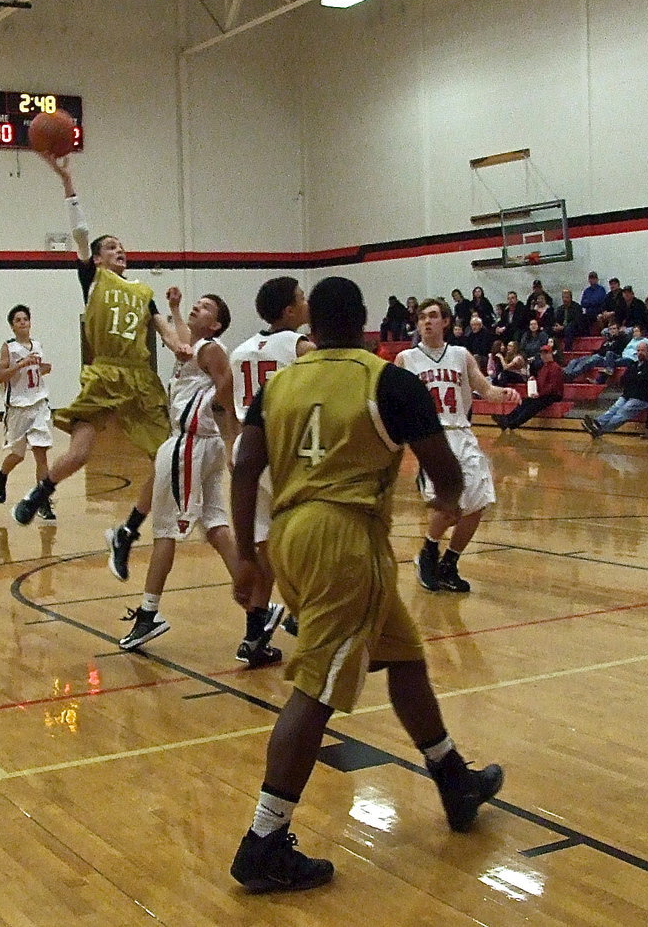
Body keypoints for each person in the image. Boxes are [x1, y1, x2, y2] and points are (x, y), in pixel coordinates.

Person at [228, 277, 504, 894]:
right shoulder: (386, 380)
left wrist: (247, 557)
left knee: (403, 654)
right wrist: (452, 500)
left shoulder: (280, 384)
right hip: (345, 540)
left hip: (292, 536)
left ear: (313, 327)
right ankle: (264, 840)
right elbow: (443, 473)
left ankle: (453, 778)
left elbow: (246, 467)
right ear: (366, 326)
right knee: (317, 688)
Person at [13, 155, 191, 586]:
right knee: (80, 453)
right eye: (111, 247)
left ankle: (126, 532)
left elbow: (168, 337)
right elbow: (80, 230)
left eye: (122, 247)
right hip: (106, 373)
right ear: (95, 258)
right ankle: (40, 492)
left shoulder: (143, 292)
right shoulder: (93, 279)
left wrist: (179, 332)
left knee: (167, 462)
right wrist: (68, 181)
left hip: (141, 380)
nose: (120, 250)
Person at [117, 293, 247, 656]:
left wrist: (232, 435)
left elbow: (226, 389)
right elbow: (180, 343)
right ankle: (257, 607)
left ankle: (149, 614)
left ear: (216, 323)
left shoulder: (211, 349)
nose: (196, 307)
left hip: (190, 444)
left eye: (205, 307)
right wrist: (173, 310)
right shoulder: (197, 347)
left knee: (165, 531)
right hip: (201, 445)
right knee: (218, 528)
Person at [396, 298, 521, 593]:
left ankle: (449, 564)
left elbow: (485, 389)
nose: (427, 321)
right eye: (422, 317)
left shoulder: (461, 355)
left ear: (447, 322)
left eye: (433, 316)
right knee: (448, 505)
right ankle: (427, 553)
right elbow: (395, 403)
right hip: (430, 436)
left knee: (479, 503)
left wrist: (503, 393)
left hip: (462, 432)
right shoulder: (406, 359)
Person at [226, 276, 315, 665]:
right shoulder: (299, 346)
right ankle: (298, 613)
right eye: (301, 297)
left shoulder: (240, 350)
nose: (307, 302)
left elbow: (222, 403)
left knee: (265, 547)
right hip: (282, 450)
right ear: (289, 311)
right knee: (305, 537)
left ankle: (254, 635)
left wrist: (234, 443)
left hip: (246, 452)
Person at [0, 305, 54, 518]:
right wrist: (20, 365)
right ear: (12, 326)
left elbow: (37, 372)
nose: (22, 322)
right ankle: (1, 474)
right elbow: (0, 377)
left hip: (38, 405)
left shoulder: (37, 345)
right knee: (17, 455)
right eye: (18, 320)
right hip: (18, 408)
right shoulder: (8, 348)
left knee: (41, 455)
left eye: (25, 319)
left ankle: (42, 502)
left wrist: (43, 368)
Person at [582, 344, 648, 437]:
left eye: (642, 350)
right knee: (614, 408)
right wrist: (637, 378)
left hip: (642, 397)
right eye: (638, 350)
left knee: (623, 411)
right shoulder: (633, 365)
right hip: (627, 395)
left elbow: (647, 380)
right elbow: (623, 380)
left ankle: (600, 429)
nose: (640, 353)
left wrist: (634, 379)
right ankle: (597, 423)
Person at [494, 343, 563, 430]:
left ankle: (512, 423)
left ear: (551, 354)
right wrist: (534, 380)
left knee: (533, 406)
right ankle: (507, 419)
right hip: (544, 394)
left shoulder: (555, 367)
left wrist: (539, 394)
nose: (544, 356)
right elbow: (543, 382)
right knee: (525, 402)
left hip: (552, 395)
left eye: (546, 353)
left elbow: (552, 387)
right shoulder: (544, 367)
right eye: (542, 354)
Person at [563, 321, 629, 381]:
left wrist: (614, 338)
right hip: (599, 355)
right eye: (610, 329)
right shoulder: (608, 340)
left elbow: (614, 351)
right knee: (576, 360)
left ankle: (571, 375)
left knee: (589, 361)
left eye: (614, 329)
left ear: (618, 330)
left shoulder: (622, 339)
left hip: (608, 359)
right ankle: (566, 373)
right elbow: (601, 350)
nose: (612, 331)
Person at [551, 288, 582, 352]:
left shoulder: (577, 307)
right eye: (563, 297)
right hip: (562, 328)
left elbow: (576, 321)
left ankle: (567, 350)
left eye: (567, 297)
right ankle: (554, 351)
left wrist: (564, 327)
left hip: (575, 329)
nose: (565, 299)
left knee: (569, 328)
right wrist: (556, 325)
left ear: (571, 298)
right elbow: (556, 319)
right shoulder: (560, 309)